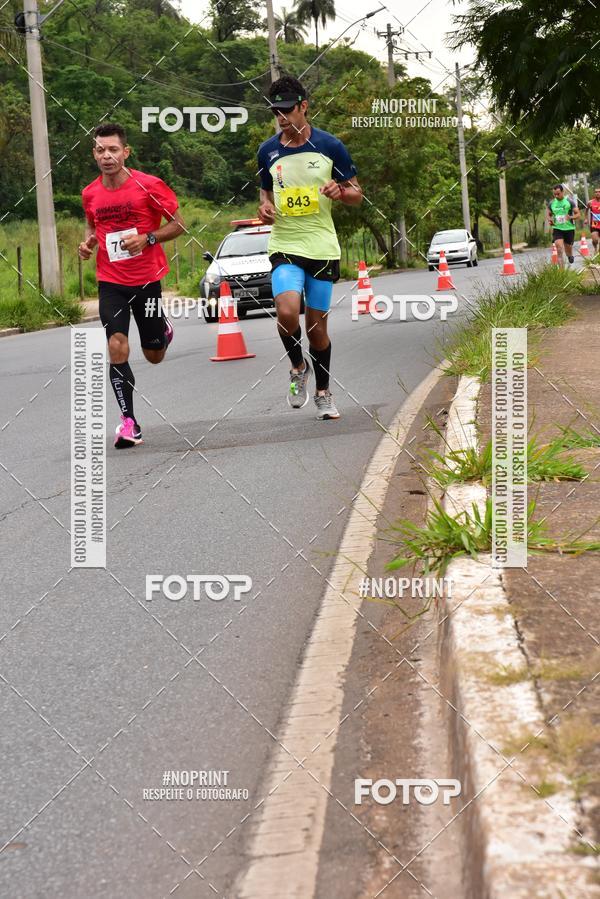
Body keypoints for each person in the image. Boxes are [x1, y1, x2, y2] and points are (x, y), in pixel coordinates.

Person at [256, 76, 363, 420]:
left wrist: (340, 193)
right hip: (285, 243)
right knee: (287, 311)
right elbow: (265, 194)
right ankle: (297, 365)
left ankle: (323, 392)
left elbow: (356, 194)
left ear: (304, 106)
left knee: (317, 328)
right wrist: (264, 208)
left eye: (288, 110)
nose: (282, 118)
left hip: (321, 245)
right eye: (277, 112)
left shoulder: (331, 146)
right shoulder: (267, 151)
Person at [79, 123, 185, 448]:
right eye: (101, 150)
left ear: (126, 152)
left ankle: (162, 330)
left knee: (154, 355)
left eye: (113, 150)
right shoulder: (90, 193)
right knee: (116, 345)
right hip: (110, 282)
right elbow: (95, 228)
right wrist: (89, 244)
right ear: (94, 153)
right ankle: (129, 423)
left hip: (147, 280)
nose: (107, 156)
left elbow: (178, 224)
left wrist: (148, 237)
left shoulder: (148, 185)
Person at [546, 184, 580, 267]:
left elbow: (578, 214)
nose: (556, 196)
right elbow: (548, 214)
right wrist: (550, 220)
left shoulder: (569, 201)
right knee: (559, 248)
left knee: (568, 249)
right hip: (557, 228)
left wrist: (571, 217)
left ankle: (570, 256)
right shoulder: (552, 203)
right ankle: (562, 272)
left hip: (569, 228)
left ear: (562, 192)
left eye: (558, 194)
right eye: (554, 194)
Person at [587, 186, 600, 255]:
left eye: (599, 192)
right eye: (596, 192)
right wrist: (586, 219)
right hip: (594, 223)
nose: (598, 193)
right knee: (595, 240)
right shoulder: (590, 202)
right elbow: (586, 210)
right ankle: (595, 248)